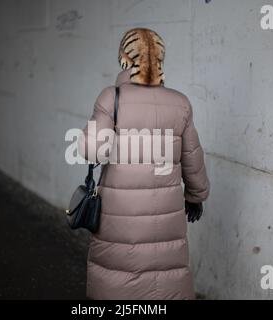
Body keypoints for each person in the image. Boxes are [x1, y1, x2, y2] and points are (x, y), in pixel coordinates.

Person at [78, 28, 210, 300]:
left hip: (118, 213)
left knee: (118, 276)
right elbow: (192, 156)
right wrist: (196, 196)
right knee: (165, 274)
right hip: (167, 212)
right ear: (160, 59)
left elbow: (92, 151)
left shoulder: (110, 98)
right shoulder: (180, 103)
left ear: (124, 59)